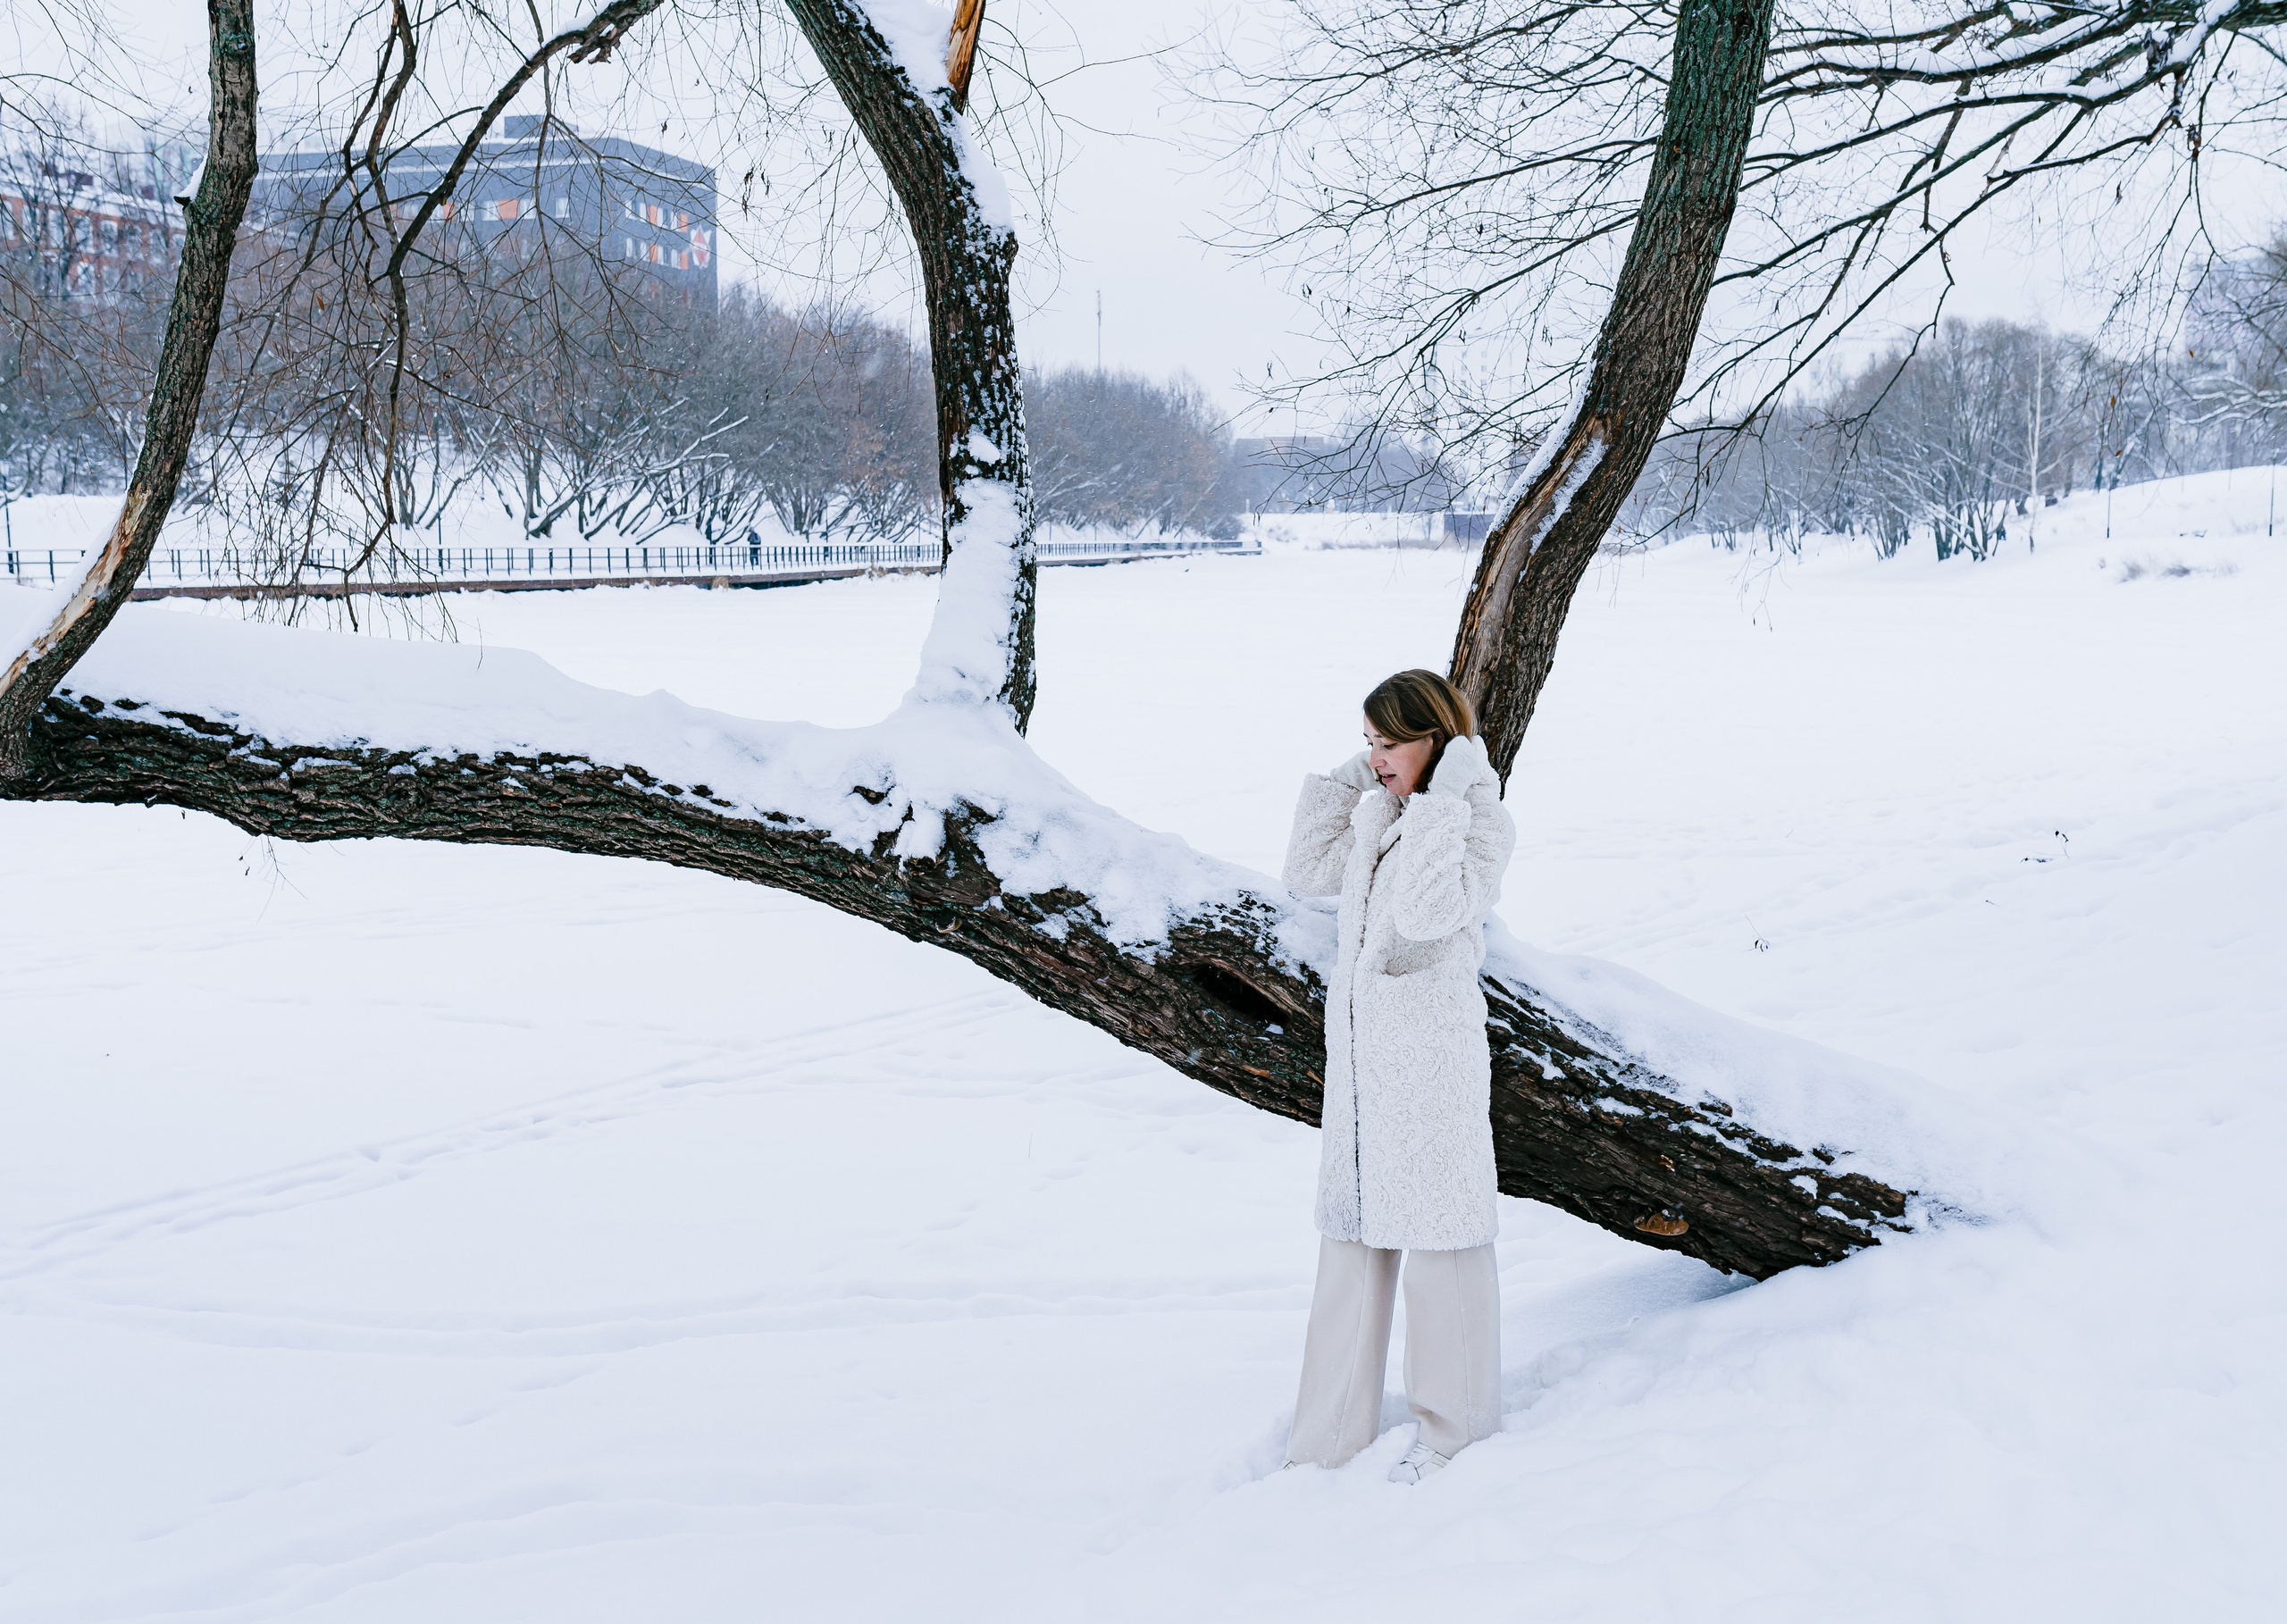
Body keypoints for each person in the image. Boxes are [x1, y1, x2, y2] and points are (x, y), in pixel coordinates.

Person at [1278, 667, 1517, 1484]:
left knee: (1442, 1245)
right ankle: (1325, 1437)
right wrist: (1367, 777)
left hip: (1430, 1066)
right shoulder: (1382, 812)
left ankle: (1455, 1433)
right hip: (1360, 1068)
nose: (1375, 758)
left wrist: (1445, 795)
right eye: (1368, 742)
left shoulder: (1479, 824)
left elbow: (1424, 914)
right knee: (1349, 1245)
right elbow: (1308, 866)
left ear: (1437, 746)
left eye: (1389, 744)